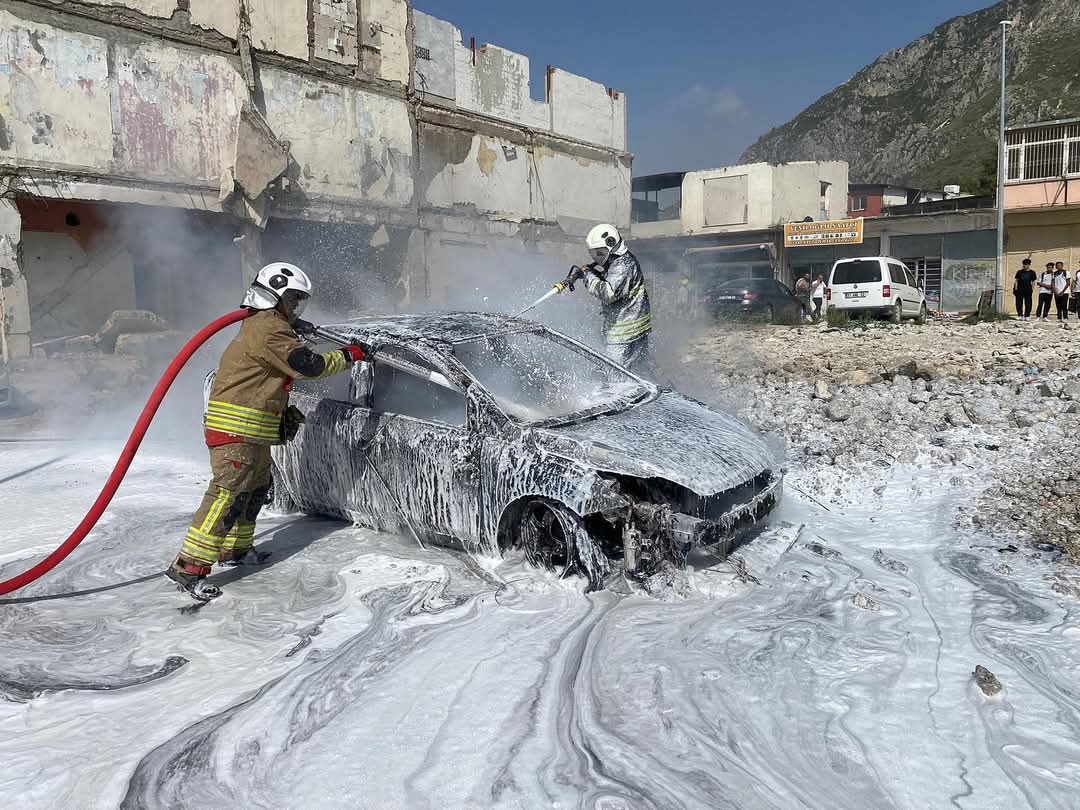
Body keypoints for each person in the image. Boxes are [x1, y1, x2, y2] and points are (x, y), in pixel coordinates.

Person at [165, 262, 370, 601]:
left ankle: (236, 550)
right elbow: (310, 366)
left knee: (255, 488)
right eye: (292, 299)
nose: (296, 306)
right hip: (236, 431)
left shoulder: (270, 325)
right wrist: (350, 355)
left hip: (252, 433)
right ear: (273, 296)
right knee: (227, 495)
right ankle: (189, 567)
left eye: (299, 301)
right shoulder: (269, 328)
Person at [574, 224, 653, 372]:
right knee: (636, 369)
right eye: (594, 253)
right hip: (633, 327)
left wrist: (588, 276)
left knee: (614, 372)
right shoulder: (620, 261)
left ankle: (616, 386)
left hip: (624, 332)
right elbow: (613, 283)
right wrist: (592, 272)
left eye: (600, 253)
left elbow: (608, 293)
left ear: (611, 245)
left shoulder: (622, 265)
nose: (597, 257)